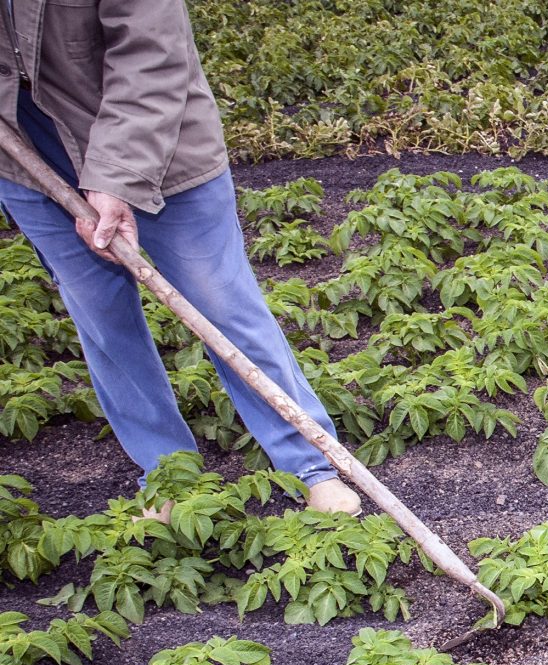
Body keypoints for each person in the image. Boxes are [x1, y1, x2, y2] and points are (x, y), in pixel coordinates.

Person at [0, 0, 361, 516]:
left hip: (158, 142)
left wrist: (114, 178)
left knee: (221, 301)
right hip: (27, 157)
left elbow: (150, 54)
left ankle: (313, 464)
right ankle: (167, 473)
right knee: (99, 316)